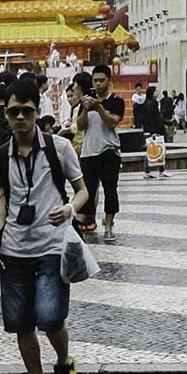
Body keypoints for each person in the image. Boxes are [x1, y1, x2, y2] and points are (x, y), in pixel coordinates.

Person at [0, 73, 90, 374]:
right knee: (21, 324)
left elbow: (82, 190)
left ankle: (63, 362)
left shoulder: (60, 148)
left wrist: (70, 208)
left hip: (51, 246)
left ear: (37, 111)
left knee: (51, 317)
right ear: (7, 115)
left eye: (26, 111)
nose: (20, 118)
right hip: (13, 251)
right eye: (14, 112)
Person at [72, 64, 126, 241]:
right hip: (89, 151)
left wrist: (100, 107)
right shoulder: (86, 101)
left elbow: (112, 123)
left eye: (102, 80)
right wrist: (86, 108)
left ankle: (109, 225)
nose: (98, 84)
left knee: (110, 189)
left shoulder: (116, 101)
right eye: (95, 81)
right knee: (87, 190)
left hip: (109, 151)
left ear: (109, 81)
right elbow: (80, 126)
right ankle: (84, 221)